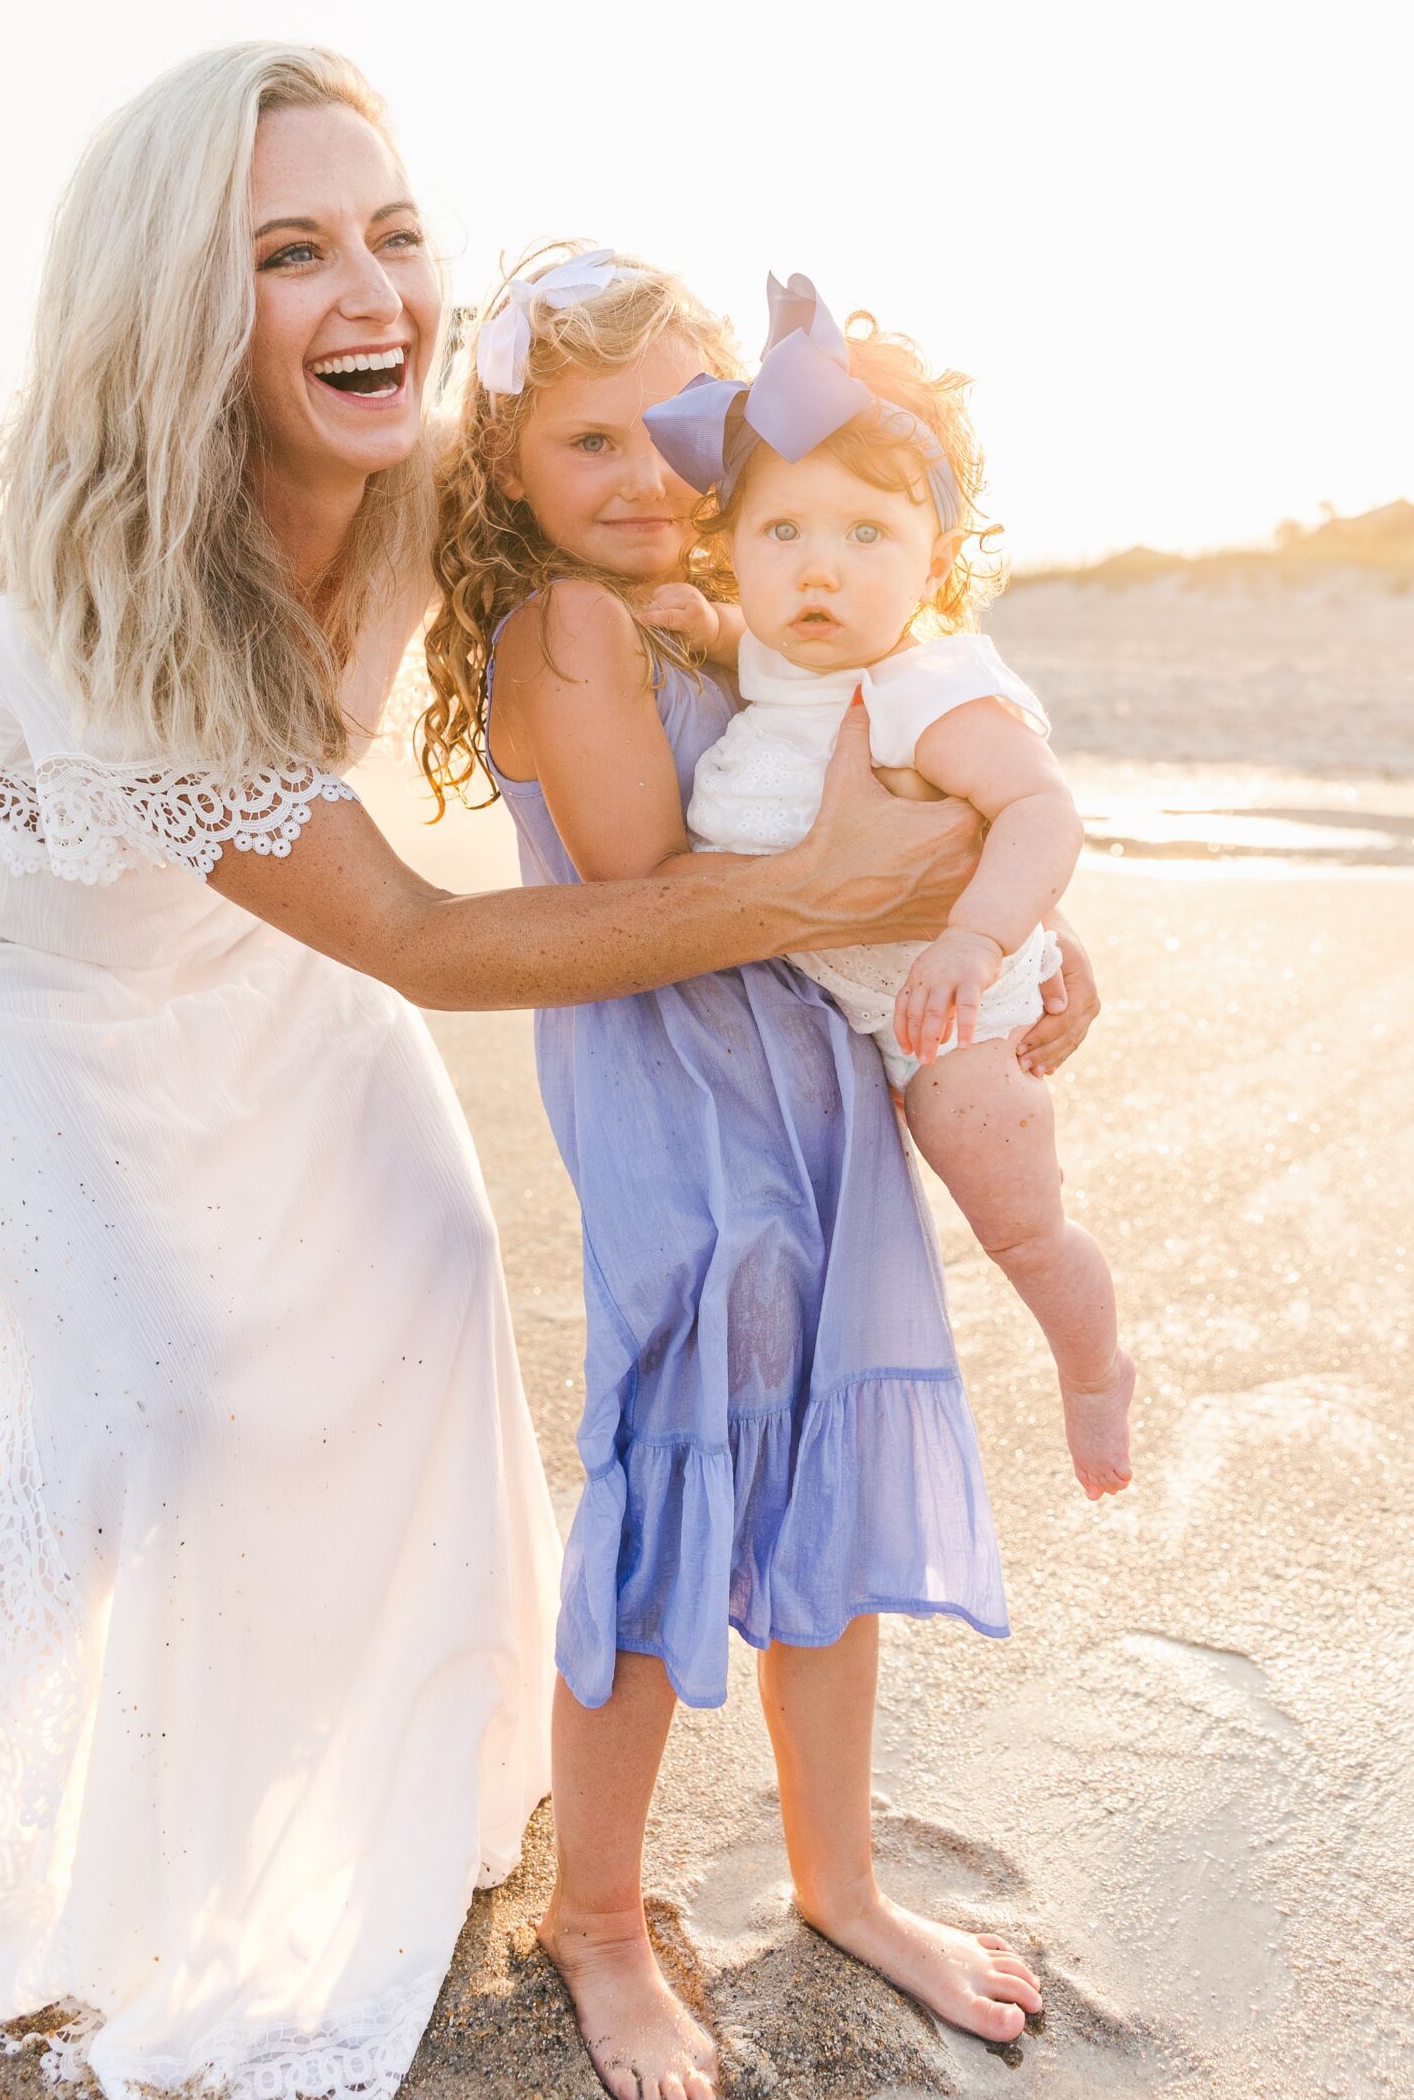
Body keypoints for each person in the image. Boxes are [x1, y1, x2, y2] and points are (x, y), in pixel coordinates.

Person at [0, 52, 1000, 2100]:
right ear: (177, 303)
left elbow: (671, 484)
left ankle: (381, 1735)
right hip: (34, 975)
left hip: (274, 953)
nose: (370, 291)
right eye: (288, 252)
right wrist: (816, 884)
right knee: (136, 1391)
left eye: (391, 233)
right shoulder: (128, 575)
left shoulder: (430, 465)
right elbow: (433, 944)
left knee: (434, 1279)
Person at [423, 247, 1095, 2100]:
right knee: (675, 1465)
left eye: (673, 434)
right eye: (584, 444)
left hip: (817, 1082)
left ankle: (840, 1877)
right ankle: (603, 1921)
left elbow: (918, 773)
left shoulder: (733, 615)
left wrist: (1006, 915)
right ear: (508, 477)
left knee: (818, 1475)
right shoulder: (571, 628)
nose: (642, 477)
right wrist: (891, 857)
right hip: (682, 1095)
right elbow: (660, 889)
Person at [655, 275, 1134, 1502]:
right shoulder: (770, 647)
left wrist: (979, 943)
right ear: (737, 549)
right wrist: (681, 617)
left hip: (946, 1018)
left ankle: (1092, 1365)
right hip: (828, 1005)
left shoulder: (929, 687)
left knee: (1014, 1217)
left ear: (933, 560)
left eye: (867, 536)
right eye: (784, 535)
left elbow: (1039, 809)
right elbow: (736, 634)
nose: (822, 571)